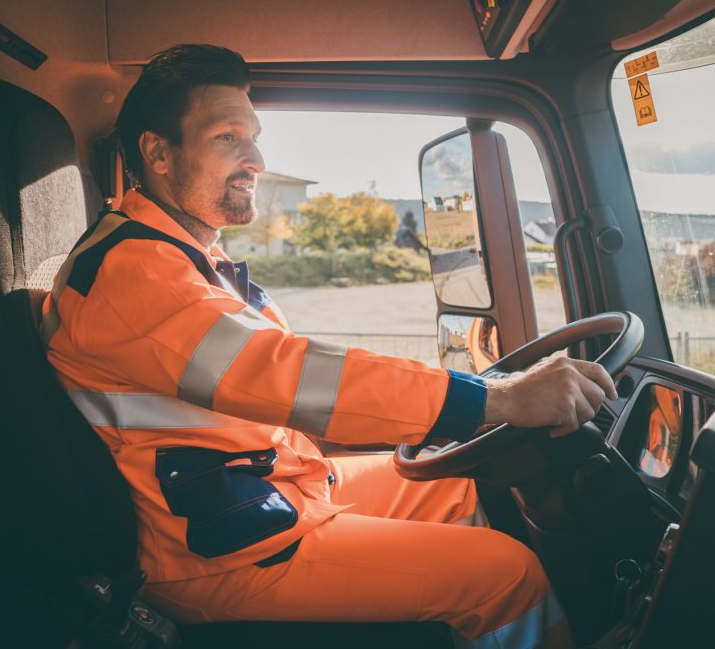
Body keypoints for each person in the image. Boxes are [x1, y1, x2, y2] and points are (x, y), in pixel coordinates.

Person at [40, 44, 616, 648]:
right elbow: (287, 374)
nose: (256, 158)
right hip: (216, 548)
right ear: (157, 152)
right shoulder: (135, 273)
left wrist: (476, 401)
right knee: (508, 575)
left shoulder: (177, 256)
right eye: (226, 138)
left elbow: (286, 372)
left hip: (267, 490)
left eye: (254, 137)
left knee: (459, 483)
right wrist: (494, 400)